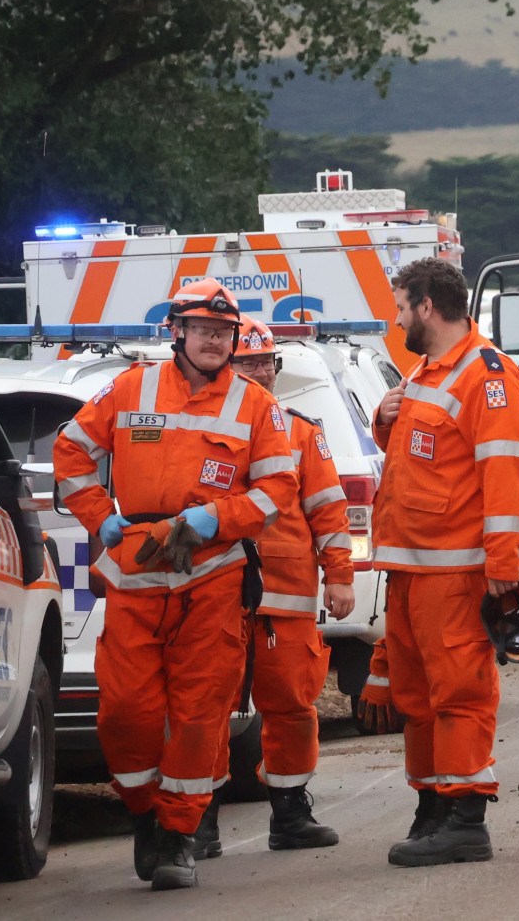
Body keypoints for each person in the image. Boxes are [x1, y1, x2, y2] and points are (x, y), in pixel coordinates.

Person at [52, 278, 298, 889]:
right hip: (136, 576)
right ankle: (144, 814)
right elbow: (71, 451)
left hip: (212, 578)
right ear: (177, 332)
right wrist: (101, 519)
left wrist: (215, 518)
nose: (214, 340)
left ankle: (178, 835)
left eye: (224, 332)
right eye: (203, 330)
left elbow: (279, 488)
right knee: (125, 715)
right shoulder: (131, 387)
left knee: (198, 716)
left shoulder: (257, 406)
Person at [370, 257, 519, 868]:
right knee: (416, 696)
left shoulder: (486, 376)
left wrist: (502, 566)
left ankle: (467, 817)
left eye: (400, 306)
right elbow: (421, 460)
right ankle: (433, 805)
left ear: (427, 308)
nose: (396, 317)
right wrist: (388, 419)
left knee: (460, 692)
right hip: (413, 569)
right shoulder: (425, 371)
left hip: (457, 571)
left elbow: (505, 474)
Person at [196, 317, 353, 856]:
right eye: (248, 362)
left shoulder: (302, 431)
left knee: (291, 705)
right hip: (215, 593)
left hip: (285, 598)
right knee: (206, 706)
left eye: (267, 362)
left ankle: (290, 812)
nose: (260, 372)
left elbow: (329, 510)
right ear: (225, 366)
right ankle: (199, 820)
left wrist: (340, 575)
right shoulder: (203, 428)